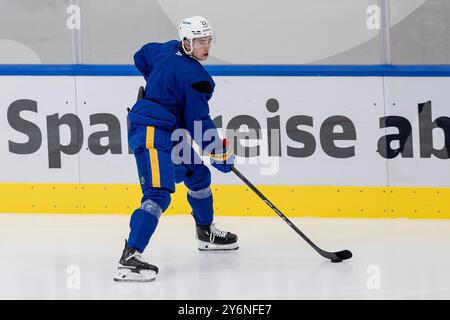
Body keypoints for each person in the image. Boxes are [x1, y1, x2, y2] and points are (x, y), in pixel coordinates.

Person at [114, 16, 238, 282]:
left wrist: (160, 83)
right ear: (186, 42)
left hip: (169, 132)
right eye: (198, 42)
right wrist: (219, 153)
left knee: (198, 175)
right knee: (158, 193)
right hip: (150, 131)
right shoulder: (197, 77)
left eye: (208, 40)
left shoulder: (165, 48)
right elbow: (197, 122)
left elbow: (141, 56)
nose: (205, 46)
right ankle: (130, 257)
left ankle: (205, 232)